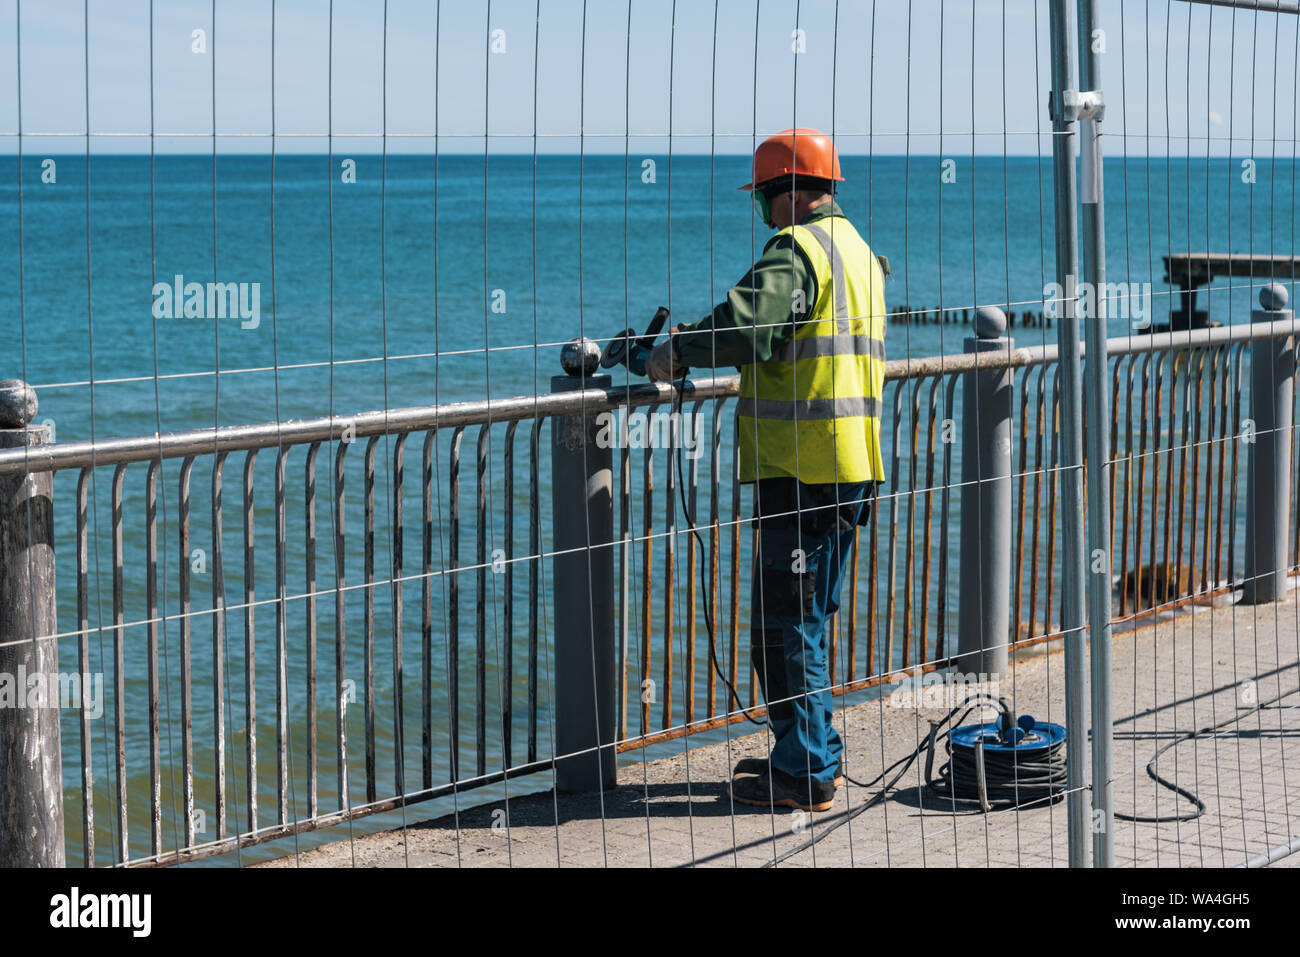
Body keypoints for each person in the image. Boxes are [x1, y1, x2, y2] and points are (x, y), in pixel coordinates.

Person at [645, 128, 888, 813]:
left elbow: (752, 324)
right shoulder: (860, 253)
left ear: (783, 191)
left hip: (804, 472)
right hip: (850, 466)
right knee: (801, 619)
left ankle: (806, 771)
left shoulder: (795, 249)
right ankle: (806, 752)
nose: (761, 210)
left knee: (789, 623)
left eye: (761, 196)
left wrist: (680, 348)